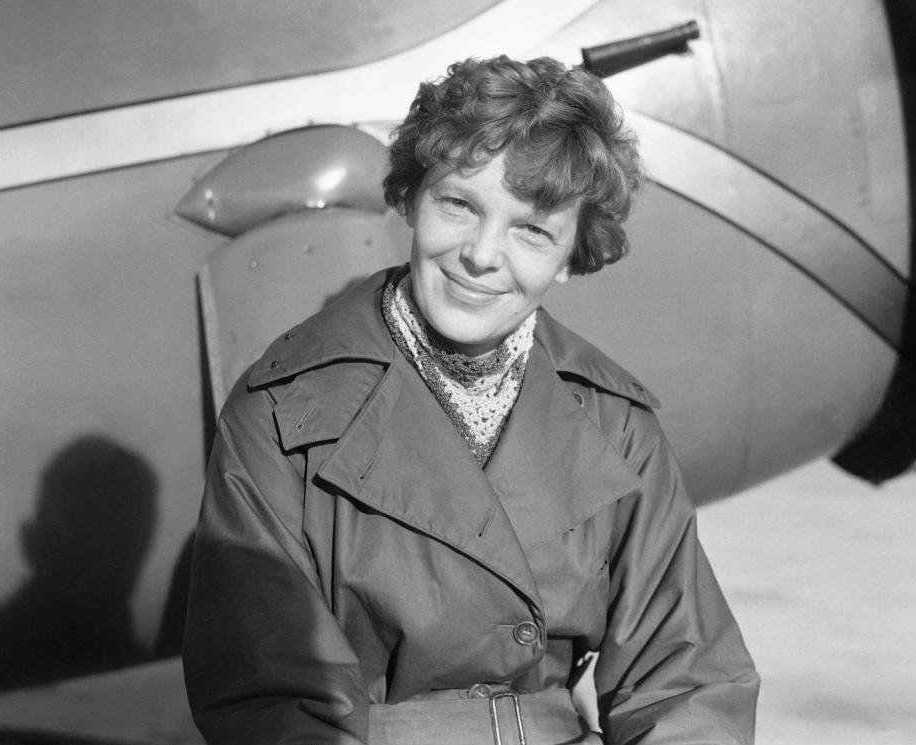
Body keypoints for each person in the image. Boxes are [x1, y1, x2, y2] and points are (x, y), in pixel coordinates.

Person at [182, 55, 759, 745]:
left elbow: (687, 685)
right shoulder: (280, 415)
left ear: (573, 256)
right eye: (460, 204)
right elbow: (271, 698)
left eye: (532, 229)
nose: (483, 254)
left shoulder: (616, 425)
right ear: (410, 198)